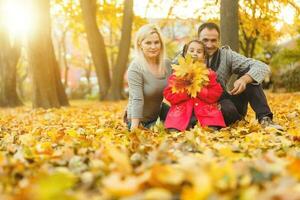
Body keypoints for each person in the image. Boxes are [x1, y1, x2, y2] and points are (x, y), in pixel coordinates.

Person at [197, 22, 282, 130]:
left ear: (218, 41)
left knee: (249, 73)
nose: (209, 45)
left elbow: (262, 67)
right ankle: (231, 122)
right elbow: (171, 74)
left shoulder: (227, 55)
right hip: (201, 106)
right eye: (205, 40)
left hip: (225, 101)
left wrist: (244, 79)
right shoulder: (187, 55)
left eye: (213, 40)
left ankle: (265, 118)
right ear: (198, 39)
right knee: (225, 110)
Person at [164, 40, 226, 131]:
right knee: (174, 132)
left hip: (205, 115)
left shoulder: (208, 74)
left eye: (199, 52)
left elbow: (216, 92)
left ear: (204, 56)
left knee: (210, 131)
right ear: (185, 54)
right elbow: (169, 94)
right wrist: (186, 91)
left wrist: (200, 90)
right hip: (181, 115)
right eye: (191, 51)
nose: (195, 53)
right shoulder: (177, 74)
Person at [125, 24, 172, 131]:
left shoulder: (167, 65)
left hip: (158, 112)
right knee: (169, 129)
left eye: (156, 42)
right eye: (148, 43)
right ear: (140, 44)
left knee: (187, 122)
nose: (153, 47)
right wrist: (134, 129)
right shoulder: (135, 68)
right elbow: (137, 99)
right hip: (140, 120)